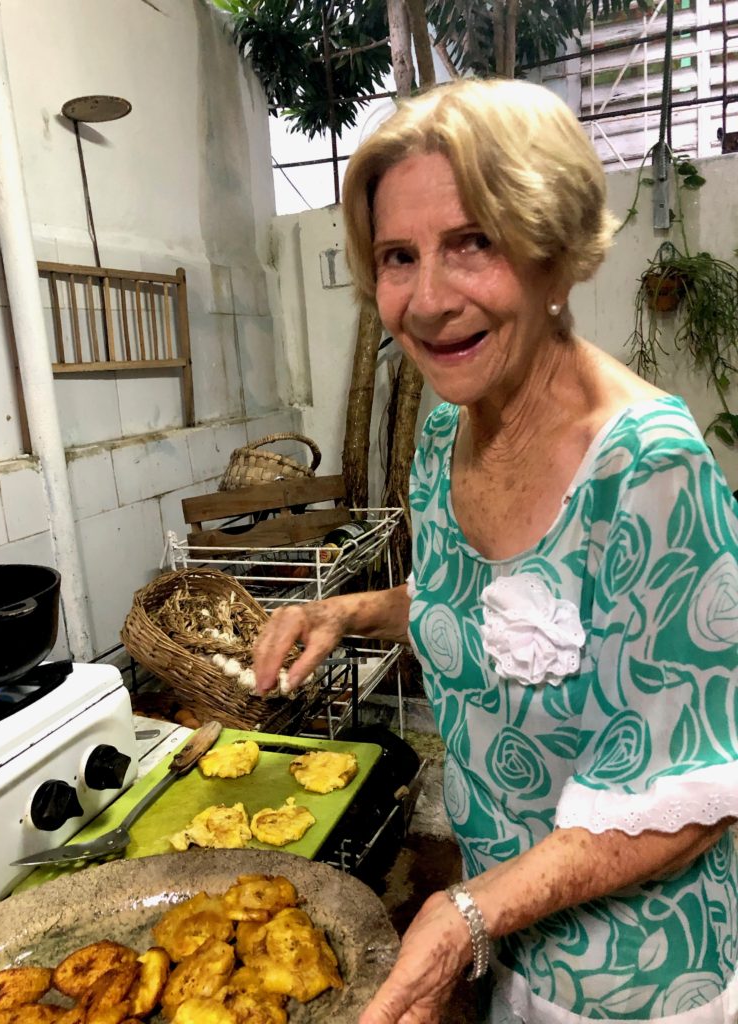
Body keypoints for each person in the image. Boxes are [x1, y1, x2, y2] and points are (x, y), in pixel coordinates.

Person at [252, 78, 738, 1024]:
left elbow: (701, 789)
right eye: (398, 256)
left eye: (472, 242)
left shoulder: (648, 469)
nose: (427, 301)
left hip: (640, 981)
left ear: (554, 254)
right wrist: (343, 611)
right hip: (509, 941)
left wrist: (464, 914)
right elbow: (482, 603)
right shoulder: (447, 434)